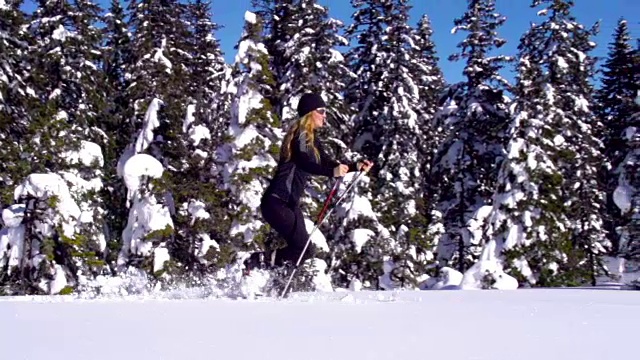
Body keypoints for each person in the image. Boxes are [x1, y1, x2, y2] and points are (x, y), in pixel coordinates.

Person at [247, 93, 373, 272]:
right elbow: (305, 161)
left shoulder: (311, 139)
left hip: (289, 204)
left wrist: (355, 167)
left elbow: (328, 163)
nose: (325, 115)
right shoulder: (301, 135)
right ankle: (256, 262)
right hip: (277, 202)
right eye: (321, 111)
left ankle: (275, 282)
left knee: (305, 250)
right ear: (309, 112)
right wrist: (332, 172)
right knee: (300, 248)